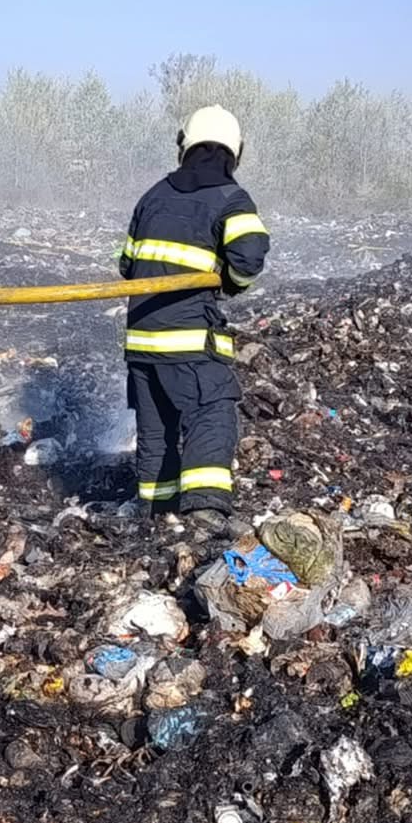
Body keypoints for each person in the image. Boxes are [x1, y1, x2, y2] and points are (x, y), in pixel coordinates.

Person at [118, 105, 270, 534]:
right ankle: (204, 511)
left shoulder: (152, 196)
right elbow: (249, 258)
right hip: (188, 341)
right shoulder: (231, 198)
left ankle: (156, 515)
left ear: (185, 145)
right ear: (234, 151)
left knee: (157, 429)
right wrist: (231, 281)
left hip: (142, 342)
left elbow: (127, 265)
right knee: (212, 412)